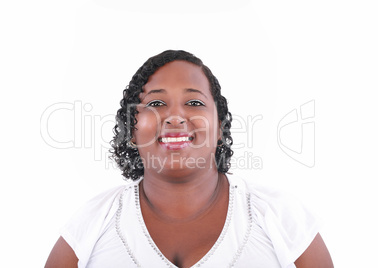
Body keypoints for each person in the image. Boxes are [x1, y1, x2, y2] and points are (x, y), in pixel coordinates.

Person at [45, 50, 333, 267]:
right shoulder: (92, 224)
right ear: (132, 129)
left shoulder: (283, 219)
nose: (174, 117)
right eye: (156, 103)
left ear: (220, 127)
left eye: (194, 102)